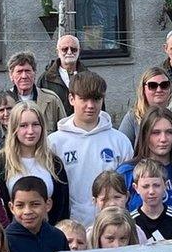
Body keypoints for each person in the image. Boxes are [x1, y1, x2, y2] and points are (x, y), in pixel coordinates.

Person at [48, 71, 133, 226]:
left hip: (111, 229)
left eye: (96, 99)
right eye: (84, 99)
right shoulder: (55, 143)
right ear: (71, 98)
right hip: (72, 232)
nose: (90, 105)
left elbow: (128, 189)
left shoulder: (119, 141)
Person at [0, 102, 70, 224]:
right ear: (14, 128)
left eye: (35, 124)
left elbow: (63, 209)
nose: (30, 131)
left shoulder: (55, 164)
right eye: (23, 125)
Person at [117, 107, 172, 213]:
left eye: (169, 132)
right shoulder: (126, 173)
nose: (163, 139)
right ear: (145, 135)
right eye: (156, 132)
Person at [8, 51, 66, 133]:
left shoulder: (52, 100)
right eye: (19, 72)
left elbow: (64, 133)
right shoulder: (1, 103)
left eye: (27, 71)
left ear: (34, 73)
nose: (24, 76)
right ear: (11, 76)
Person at [118, 67, 172, 145]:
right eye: (152, 85)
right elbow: (121, 147)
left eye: (164, 85)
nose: (159, 90)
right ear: (143, 89)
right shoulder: (133, 117)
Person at [39, 34, 91, 116]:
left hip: (83, 126)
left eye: (73, 49)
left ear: (79, 51)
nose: (69, 52)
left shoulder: (90, 78)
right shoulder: (45, 78)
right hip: (56, 126)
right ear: (57, 51)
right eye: (64, 49)